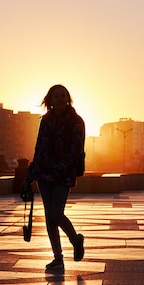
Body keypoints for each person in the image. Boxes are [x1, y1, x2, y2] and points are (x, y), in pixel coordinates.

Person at [22, 84, 85, 271]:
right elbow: (39, 147)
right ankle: (58, 258)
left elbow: (75, 150)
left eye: (62, 95)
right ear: (50, 99)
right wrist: (31, 175)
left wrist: (56, 171)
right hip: (44, 174)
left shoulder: (76, 121)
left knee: (56, 213)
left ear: (68, 98)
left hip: (62, 175)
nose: (59, 99)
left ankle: (76, 240)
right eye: (55, 96)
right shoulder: (46, 120)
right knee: (49, 218)